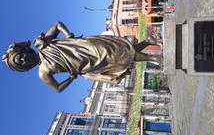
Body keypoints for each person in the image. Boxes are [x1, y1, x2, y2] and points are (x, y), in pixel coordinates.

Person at [2, 22, 161, 92]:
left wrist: (69, 34)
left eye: (21, 57)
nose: (24, 60)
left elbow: (58, 24)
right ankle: (150, 51)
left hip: (83, 46)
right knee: (116, 58)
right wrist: (71, 78)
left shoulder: (40, 43)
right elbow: (57, 89)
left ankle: (151, 52)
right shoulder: (43, 73)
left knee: (115, 50)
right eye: (21, 63)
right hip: (84, 64)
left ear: (24, 51)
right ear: (24, 68)